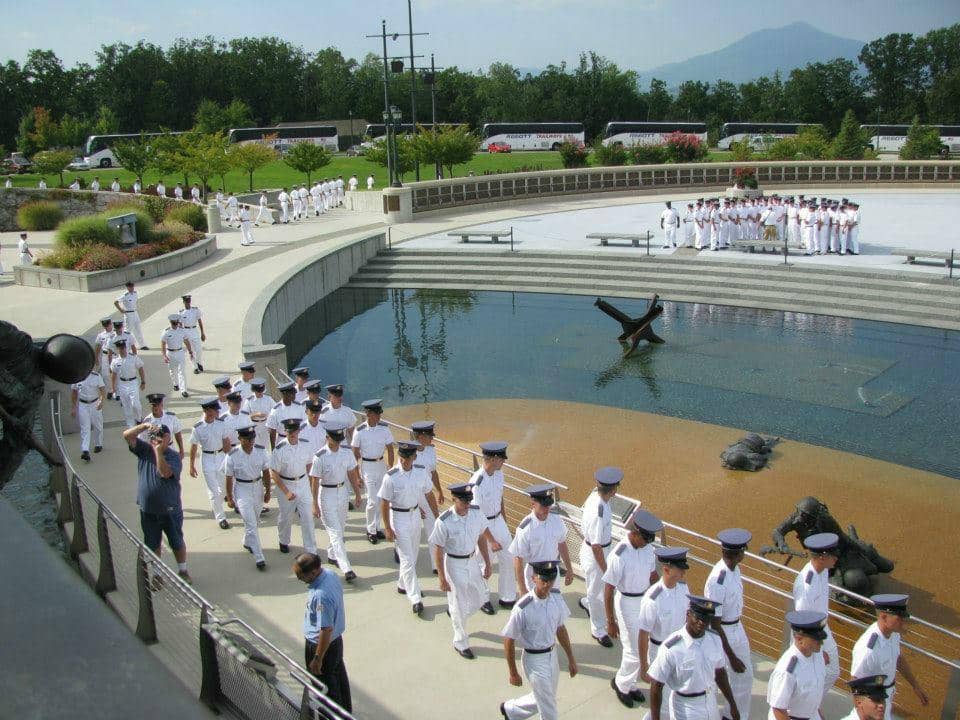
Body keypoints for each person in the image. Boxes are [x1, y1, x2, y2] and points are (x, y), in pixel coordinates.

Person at [499, 561, 578, 720]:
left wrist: (571, 658)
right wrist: (513, 672)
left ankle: (511, 710)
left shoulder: (556, 599)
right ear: (534, 578)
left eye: (551, 579)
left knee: (544, 696)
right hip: (534, 660)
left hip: (551, 656)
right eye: (544, 580)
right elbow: (509, 639)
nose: (548, 584)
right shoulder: (523, 608)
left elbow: (560, 629)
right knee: (549, 707)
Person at [430, 482, 500, 659]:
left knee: (479, 598)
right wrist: (441, 578)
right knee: (459, 602)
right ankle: (460, 641)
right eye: (463, 501)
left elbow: (481, 537)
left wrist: (487, 563)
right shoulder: (444, 521)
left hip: (471, 561)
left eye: (469, 501)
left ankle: (455, 614)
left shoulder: (476, 513)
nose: (467, 505)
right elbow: (437, 549)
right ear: (454, 499)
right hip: (454, 564)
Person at [647, 595, 740, 720]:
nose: (702, 622)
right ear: (688, 614)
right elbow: (656, 686)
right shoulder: (672, 647)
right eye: (698, 617)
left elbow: (720, 673)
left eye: (706, 619)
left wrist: (732, 704)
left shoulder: (715, 639)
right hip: (685, 706)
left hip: (710, 700)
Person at [605, 507, 662, 708]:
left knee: (642, 649)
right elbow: (609, 588)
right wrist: (610, 621)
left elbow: (653, 576)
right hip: (626, 602)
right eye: (644, 539)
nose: (646, 543)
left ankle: (629, 683)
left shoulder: (647, 549)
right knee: (633, 649)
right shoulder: (619, 555)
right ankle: (621, 685)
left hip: (644, 600)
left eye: (649, 540)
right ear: (635, 533)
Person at [123, 421, 191, 584]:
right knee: (152, 543)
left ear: (167, 439)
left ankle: (183, 570)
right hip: (148, 509)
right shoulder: (144, 450)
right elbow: (127, 435)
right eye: (154, 437)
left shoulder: (173, 457)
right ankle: (157, 574)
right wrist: (145, 426)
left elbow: (164, 472)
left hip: (169, 509)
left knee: (176, 541)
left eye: (160, 437)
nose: (156, 440)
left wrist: (159, 451)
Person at [378, 440, 438, 615]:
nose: (404, 461)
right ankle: (415, 597)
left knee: (414, 553)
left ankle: (402, 584)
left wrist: (436, 515)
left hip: (415, 515)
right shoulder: (391, 476)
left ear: (414, 457)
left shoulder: (420, 472)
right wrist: (388, 528)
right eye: (401, 457)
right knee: (407, 558)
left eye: (407, 458)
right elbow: (384, 502)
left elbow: (429, 493)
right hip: (398, 517)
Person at [850, 594, 928, 720]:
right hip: (874, 703)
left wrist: (915, 685)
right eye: (899, 618)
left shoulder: (893, 633)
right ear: (884, 617)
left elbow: (898, 658)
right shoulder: (868, 649)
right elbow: (855, 684)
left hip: (885, 696)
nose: (903, 621)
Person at [704, 528, 753, 720]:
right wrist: (731, 656)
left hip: (736, 627)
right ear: (736, 553)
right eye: (742, 550)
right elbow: (714, 623)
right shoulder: (718, 580)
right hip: (722, 631)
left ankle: (735, 716)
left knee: (745, 676)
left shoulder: (734, 569)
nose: (744, 553)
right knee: (718, 678)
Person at [294, 552, 352, 712]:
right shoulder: (329, 574)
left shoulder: (321, 596)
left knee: (325, 685)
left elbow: (326, 630)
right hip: (336, 642)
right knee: (338, 675)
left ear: (313, 572)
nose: (299, 578)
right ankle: (346, 711)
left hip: (321, 645)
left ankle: (332, 714)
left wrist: (318, 658)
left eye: (300, 575)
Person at [638, 546, 691, 713]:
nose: (683, 574)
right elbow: (643, 634)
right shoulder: (653, 599)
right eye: (680, 570)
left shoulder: (683, 588)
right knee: (663, 703)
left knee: (676, 697)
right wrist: (644, 666)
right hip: (659, 651)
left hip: (680, 649)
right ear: (666, 569)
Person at [309, 420, 362, 583]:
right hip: (327, 494)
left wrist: (357, 493)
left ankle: (332, 555)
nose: (337, 442)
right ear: (327, 438)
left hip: (342, 492)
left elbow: (352, 472)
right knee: (335, 532)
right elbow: (315, 481)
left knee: (341, 527)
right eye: (334, 439)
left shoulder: (346, 453)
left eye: (339, 439)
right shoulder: (320, 457)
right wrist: (314, 503)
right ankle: (346, 568)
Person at [792, 532, 841, 705]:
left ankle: (812, 703)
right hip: (810, 633)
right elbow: (802, 619)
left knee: (833, 671)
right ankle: (802, 706)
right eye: (832, 554)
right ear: (822, 557)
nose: (836, 557)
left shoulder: (823, 571)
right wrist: (818, 649)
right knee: (808, 673)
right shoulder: (806, 584)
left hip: (822, 627)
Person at [470, 441, 517, 611]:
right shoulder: (477, 483)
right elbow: (477, 516)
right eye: (502, 459)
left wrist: (504, 520)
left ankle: (507, 596)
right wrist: (491, 540)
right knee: (483, 562)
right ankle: (482, 598)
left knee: (509, 557)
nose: (504, 462)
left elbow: (500, 498)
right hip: (483, 526)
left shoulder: (499, 475)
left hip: (498, 521)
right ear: (494, 459)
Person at [578, 466, 621, 648]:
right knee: (597, 593)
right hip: (596, 553)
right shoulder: (599, 511)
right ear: (613, 489)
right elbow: (596, 545)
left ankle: (587, 603)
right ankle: (598, 630)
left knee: (593, 588)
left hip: (597, 549)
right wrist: (606, 570)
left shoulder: (595, 497)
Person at [510, 484, 573, 595]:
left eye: (548, 505)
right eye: (543, 506)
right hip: (535, 576)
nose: (546, 509)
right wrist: (522, 588)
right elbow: (518, 559)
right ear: (533, 504)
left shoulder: (556, 519)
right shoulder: (525, 528)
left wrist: (569, 569)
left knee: (553, 607)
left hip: (553, 574)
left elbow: (562, 543)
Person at [224, 426, 271, 570]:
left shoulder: (261, 451)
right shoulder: (232, 455)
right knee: (250, 523)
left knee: (255, 521)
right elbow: (228, 478)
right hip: (242, 489)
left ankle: (247, 541)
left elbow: (266, 472)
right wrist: (230, 498)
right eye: (247, 439)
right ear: (240, 439)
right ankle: (259, 557)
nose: (251, 442)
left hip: (257, 487)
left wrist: (268, 490)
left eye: (252, 439)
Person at [767, 610, 828, 720]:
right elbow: (778, 709)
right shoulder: (787, 670)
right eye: (816, 639)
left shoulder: (817, 654)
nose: (821, 642)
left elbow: (814, 692)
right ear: (799, 639)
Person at [351, 399, 396, 544]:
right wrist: (357, 475)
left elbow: (390, 448)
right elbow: (355, 453)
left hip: (381, 464)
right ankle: (370, 530)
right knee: (371, 500)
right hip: (367, 466)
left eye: (379, 414)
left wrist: (390, 466)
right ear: (368, 414)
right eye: (376, 414)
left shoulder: (384, 428)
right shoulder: (359, 431)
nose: (379, 417)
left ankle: (377, 527)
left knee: (381, 498)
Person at [272, 418, 317, 555]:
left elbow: (309, 464)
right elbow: (274, 473)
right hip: (286, 484)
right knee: (286, 517)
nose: (292, 433)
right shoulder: (279, 449)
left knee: (308, 517)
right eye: (289, 431)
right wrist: (286, 492)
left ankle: (311, 549)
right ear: (285, 431)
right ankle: (284, 540)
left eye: (295, 431)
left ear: (299, 431)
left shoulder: (306, 445)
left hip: (303, 483)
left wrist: (310, 485)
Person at [188, 397, 232, 530]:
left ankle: (220, 501)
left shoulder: (221, 424)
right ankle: (221, 517)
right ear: (205, 411)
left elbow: (226, 442)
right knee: (214, 491)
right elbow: (193, 446)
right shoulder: (198, 428)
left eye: (215, 410)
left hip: (221, 456)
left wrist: (230, 458)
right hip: (207, 458)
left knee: (223, 486)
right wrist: (191, 465)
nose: (214, 413)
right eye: (211, 411)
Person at [413, 420, 444, 573]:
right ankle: (399, 551)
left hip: (428, 493)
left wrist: (439, 490)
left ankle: (435, 565)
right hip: (412, 495)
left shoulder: (431, 450)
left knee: (433, 527)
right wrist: (414, 504)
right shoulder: (409, 454)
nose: (432, 439)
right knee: (411, 530)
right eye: (429, 436)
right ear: (420, 436)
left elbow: (433, 472)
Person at [71, 367, 106, 462]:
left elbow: (102, 390)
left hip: (95, 404)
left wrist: (101, 401)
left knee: (98, 426)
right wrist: (74, 407)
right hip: (83, 405)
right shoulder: (77, 377)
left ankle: (98, 444)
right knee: (85, 428)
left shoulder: (96, 376)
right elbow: (74, 393)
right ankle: (85, 450)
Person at [110, 338, 145, 427]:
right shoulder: (115, 361)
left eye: (124, 348)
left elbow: (140, 368)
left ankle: (138, 418)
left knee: (135, 404)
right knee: (126, 406)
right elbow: (113, 374)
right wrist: (113, 387)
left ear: (126, 348)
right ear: (118, 349)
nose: (122, 350)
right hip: (122, 384)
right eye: (120, 348)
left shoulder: (133, 357)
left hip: (133, 382)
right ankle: (131, 426)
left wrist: (143, 381)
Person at [140, 393, 185, 459]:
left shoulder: (171, 417)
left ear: (162, 405)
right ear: (150, 406)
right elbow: (142, 439)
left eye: (158, 405)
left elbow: (177, 433)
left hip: (170, 449)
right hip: (155, 452)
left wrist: (181, 450)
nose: (155, 407)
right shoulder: (147, 421)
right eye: (153, 405)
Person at [266, 382, 306, 449]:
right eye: (292, 394)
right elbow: (272, 430)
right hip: (282, 440)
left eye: (294, 393)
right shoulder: (276, 410)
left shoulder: (299, 406)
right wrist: (273, 448)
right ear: (285, 394)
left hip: (297, 440)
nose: (294, 395)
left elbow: (304, 423)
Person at [160, 314, 192, 398]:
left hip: (180, 352)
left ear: (178, 322)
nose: (175, 324)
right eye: (173, 323)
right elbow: (163, 344)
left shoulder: (182, 330)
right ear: (171, 322)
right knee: (173, 371)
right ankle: (175, 384)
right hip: (170, 353)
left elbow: (186, 341)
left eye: (176, 323)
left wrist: (190, 351)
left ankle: (183, 390)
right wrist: (164, 356)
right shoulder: (166, 332)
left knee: (182, 372)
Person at [241, 377, 274, 449]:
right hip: (254, 426)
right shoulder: (249, 400)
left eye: (261, 391)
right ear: (254, 390)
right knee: (255, 448)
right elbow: (244, 416)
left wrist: (270, 422)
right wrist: (256, 415)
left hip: (265, 426)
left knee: (265, 448)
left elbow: (275, 412)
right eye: (258, 391)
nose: (260, 393)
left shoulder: (269, 399)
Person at [114, 280, 147, 349]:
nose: (132, 288)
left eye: (133, 286)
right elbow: (116, 302)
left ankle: (142, 345)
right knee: (128, 330)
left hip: (135, 313)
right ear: (127, 287)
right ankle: (125, 345)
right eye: (130, 287)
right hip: (128, 314)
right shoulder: (125, 295)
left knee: (138, 329)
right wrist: (120, 309)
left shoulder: (135, 293)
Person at [178, 294, 205, 374]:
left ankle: (199, 363)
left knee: (199, 349)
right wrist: (181, 335)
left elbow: (200, 321)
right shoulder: (181, 313)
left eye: (189, 301)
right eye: (186, 302)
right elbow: (180, 325)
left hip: (194, 330)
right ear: (183, 302)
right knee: (191, 350)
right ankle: (195, 367)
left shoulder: (195, 310)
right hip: (186, 331)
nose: (188, 303)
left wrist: (202, 333)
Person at [94, 318, 115, 396]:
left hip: (114, 355)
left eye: (108, 325)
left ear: (111, 324)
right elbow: (97, 347)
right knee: (106, 374)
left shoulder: (116, 333)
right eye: (105, 326)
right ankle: (110, 391)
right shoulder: (101, 335)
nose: (107, 327)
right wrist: (96, 358)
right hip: (105, 356)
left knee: (116, 373)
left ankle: (116, 391)